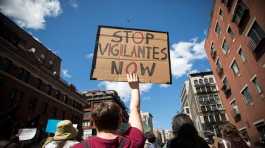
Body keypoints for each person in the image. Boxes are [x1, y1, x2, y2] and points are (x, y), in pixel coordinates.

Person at [73, 73, 145, 148]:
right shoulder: (134, 143)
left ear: (94, 121)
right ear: (120, 121)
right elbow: (135, 109)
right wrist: (135, 88)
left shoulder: (78, 146)